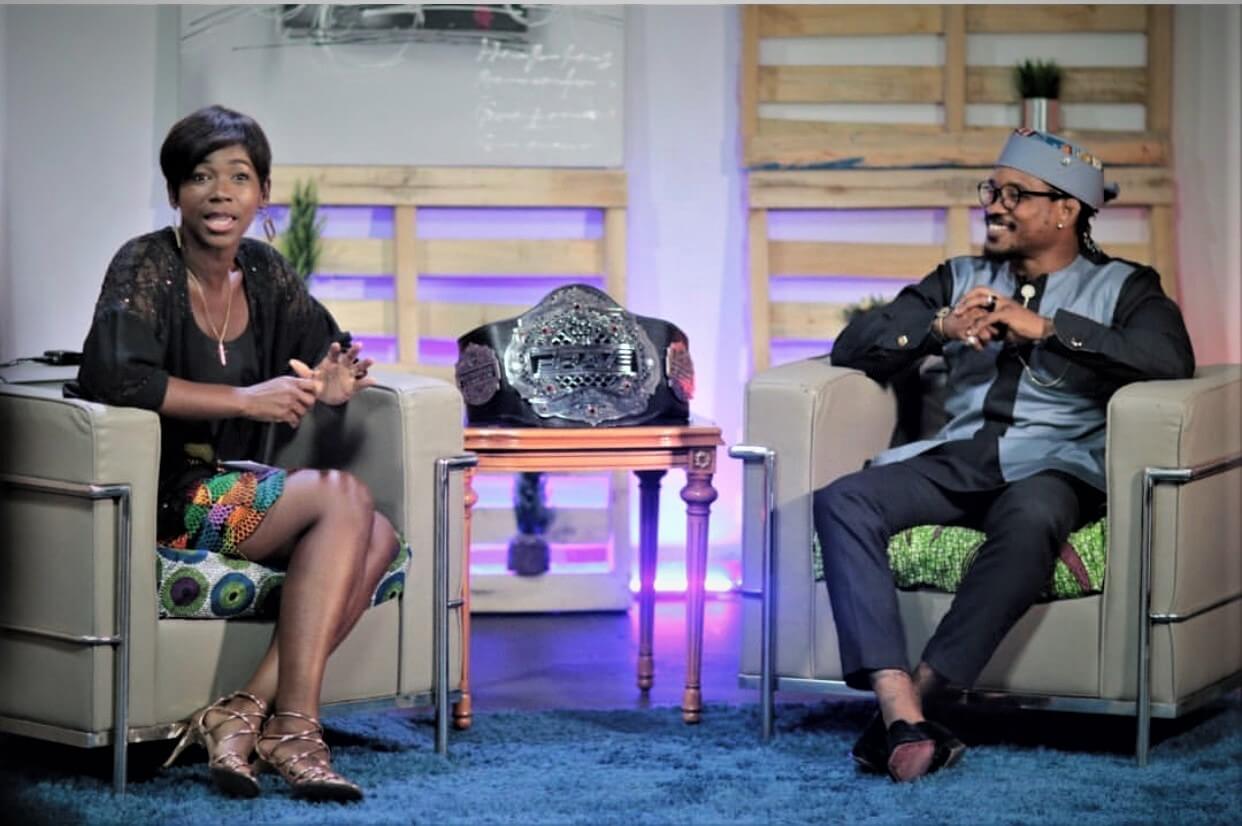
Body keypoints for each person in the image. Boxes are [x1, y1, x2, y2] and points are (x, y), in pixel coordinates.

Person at [814, 128, 1195, 782]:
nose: (994, 205)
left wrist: (1046, 328)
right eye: (992, 191)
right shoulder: (959, 278)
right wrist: (940, 326)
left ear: (1066, 209)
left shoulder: (1125, 287)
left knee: (1033, 518)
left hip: (1056, 467)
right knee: (843, 500)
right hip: (959, 458)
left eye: (1015, 194)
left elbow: (1168, 360)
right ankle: (900, 708)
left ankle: (911, 712)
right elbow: (854, 345)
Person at [74, 105, 391, 802]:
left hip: (241, 484)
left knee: (381, 534)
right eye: (201, 176)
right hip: (166, 494)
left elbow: (325, 353)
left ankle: (244, 710)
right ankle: (296, 727)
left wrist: (334, 384)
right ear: (174, 192)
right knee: (345, 498)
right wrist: (247, 401)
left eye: (239, 177)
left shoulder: (265, 272)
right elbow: (116, 377)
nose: (220, 192)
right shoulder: (145, 264)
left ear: (263, 192)